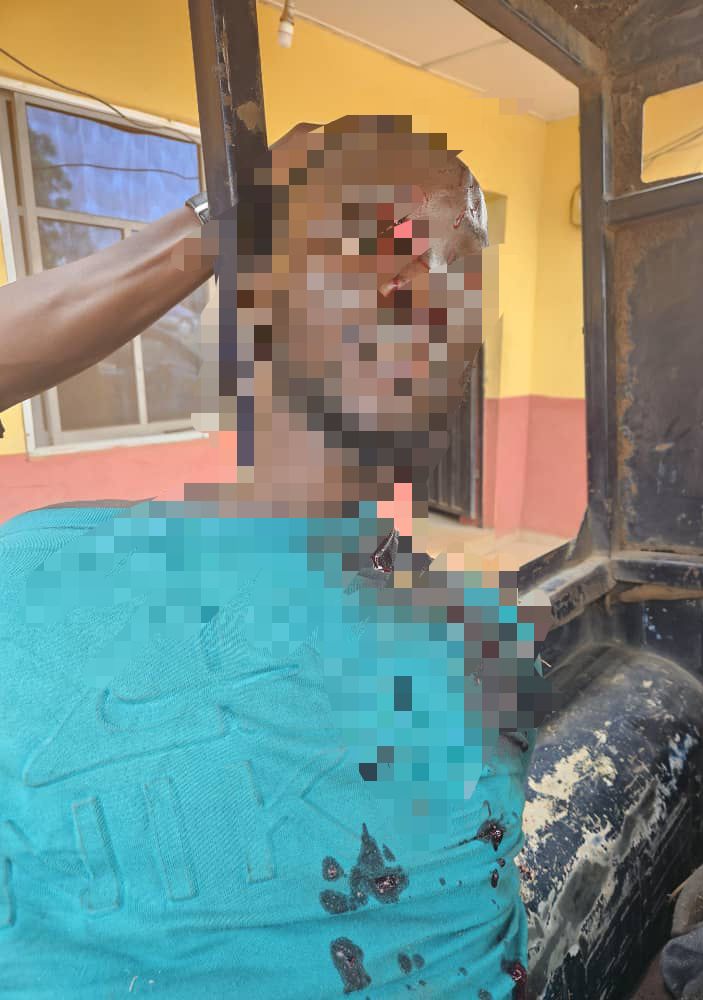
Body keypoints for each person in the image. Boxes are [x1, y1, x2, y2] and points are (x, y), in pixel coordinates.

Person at [0, 116, 554, 999]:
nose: (423, 277)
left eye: (454, 266)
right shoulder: (29, 575)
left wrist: (215, 231)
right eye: (382, 242)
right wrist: (212, 228)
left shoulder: (487, 650)